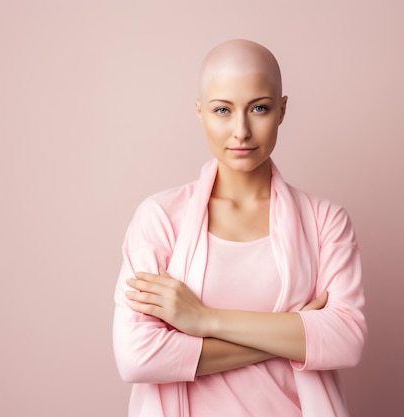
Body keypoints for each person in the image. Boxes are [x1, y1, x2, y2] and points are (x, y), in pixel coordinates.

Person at [113, 39, 366, 417]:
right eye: (222, 110)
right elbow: (138, 357)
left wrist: (203, 320)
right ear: (200, 113)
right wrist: (292, 336)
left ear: (281, 110)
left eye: (259, 108)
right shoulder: (161, 218)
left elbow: (346, 340)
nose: (241, 130)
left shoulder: (325, 220)